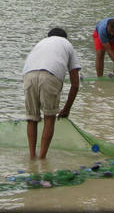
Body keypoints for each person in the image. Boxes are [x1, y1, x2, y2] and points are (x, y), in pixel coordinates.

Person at [22, 27, 81, 160]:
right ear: (65, 38)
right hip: (50, 75)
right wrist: (67, 109)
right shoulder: (67, 44)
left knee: (31, 118)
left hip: (28, 76)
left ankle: (32, 157)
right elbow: (75, 84)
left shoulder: (41, 43)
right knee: (49, 118)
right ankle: (42, 158)